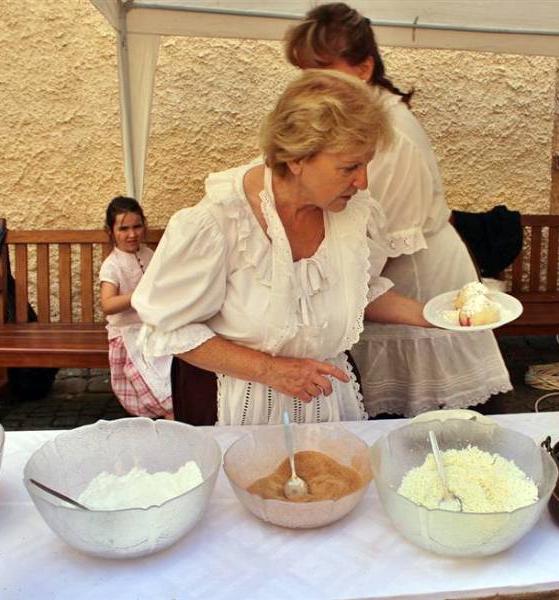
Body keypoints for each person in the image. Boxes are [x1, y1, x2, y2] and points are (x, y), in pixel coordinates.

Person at [131, 70, 432, 426]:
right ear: (297, 159)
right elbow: (169, 329)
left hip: (326, 404)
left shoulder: (353, 214)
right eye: (349, 166)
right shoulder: (217, 223)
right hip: (237, 409)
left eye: (367, 164)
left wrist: (439, 315)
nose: (363, 181)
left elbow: (355, 290)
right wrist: (272, 370)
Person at [285, 3, 512, 417]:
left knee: (427, 420)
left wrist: (323, 290)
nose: (309, 86)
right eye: (304, 73)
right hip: (386, 280)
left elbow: (373, 242)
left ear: (364, 68)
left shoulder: (390, 133)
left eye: (321, 71)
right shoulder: (355, 120)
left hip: (415, 278)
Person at [99, 196, 173, 419]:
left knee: (173, 364)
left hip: (152, 329)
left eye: (137, 226)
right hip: (127, 334)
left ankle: (178, 410)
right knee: (147, 377)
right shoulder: (112, 266)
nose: (132, 234)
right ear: (111, 231)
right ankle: (170, 415)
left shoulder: (149, 254)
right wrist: (139, 295)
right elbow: (107, 304)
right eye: (123, 228)